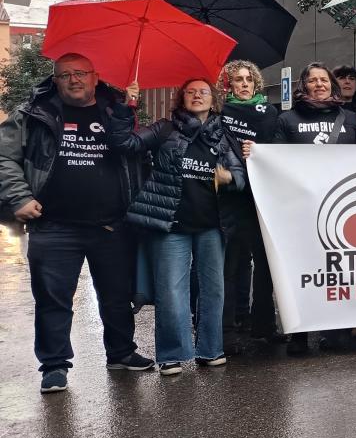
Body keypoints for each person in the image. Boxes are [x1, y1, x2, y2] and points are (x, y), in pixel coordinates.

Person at [0, 54, 154, 393]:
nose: (74, 80)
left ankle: (121, 352)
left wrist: (130, 110)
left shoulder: (115, 111)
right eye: (65, 74)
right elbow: (3, 157)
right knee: (54, 299)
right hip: (54, 225)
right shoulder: (32, 114)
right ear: (54, 80)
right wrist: (19, 197)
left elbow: (136, 151)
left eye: (81, 73)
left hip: (112, 225)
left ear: (95, 77)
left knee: (116, 296)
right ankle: (54, 366)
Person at [112, 78, 247, 374]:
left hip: (213, 226)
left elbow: (242, 177)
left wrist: (230, 179)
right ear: (181, 98)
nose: (197, 96)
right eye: (191, 92)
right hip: (171, 224)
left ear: (213, 99)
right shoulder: (164, 128)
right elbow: (126, 144)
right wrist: (127, 106)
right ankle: (172, 354)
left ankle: (211, 350)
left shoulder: (224, 134)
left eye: (204, 92)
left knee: (213, 290)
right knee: (171, 291)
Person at [265, 62, 356, 354]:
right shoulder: (287, 120)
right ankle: (299, 332)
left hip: (340, 208)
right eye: (313, 80)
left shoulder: (349, 119)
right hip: (300, 211)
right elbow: (274, 159)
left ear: (332, 86)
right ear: (304, 86)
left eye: (325, 80)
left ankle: (337, 330)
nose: (320, 84)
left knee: (339, 271)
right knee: (302, 271)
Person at [218, 60, 280, 339]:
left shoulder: (269, 111)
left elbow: (279, 147)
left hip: (264, 195)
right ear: (228, 85)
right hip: (232, 198)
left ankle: (264, 325)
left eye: (248, 80)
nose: (244, 84)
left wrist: (261, 150)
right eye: (238, 80)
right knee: (232, 264)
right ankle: (229, 326)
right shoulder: (219, 112)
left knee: (265, 264)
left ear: (256, 83)